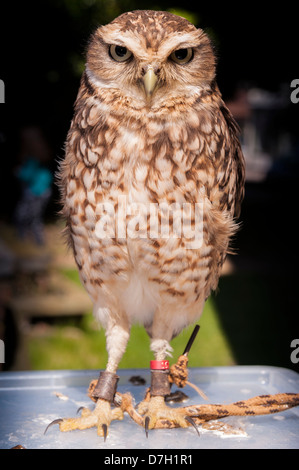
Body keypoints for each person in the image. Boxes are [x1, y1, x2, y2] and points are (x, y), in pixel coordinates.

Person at [14, 126, 53, 245]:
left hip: (35, 192)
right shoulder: (42, 158)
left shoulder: (33, 160)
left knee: (27, 216)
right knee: (32, 216)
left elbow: (28, 175)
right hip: (43, 191)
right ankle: (27, 238)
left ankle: (36, 240)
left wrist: (19, 172)